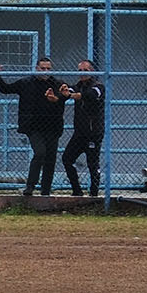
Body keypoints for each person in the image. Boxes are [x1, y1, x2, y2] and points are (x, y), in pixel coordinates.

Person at [0, 57, 67, 197]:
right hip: (33, 126)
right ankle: (30, 186)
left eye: (48, 69)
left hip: (53, 126)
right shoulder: (26, 83)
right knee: (40, 152)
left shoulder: (57, 84)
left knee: (50, 158)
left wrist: (60, 96)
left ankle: (45, 190)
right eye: (43, 68)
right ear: (36, 68)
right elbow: (6, 89)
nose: (46, 71)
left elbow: (66, 95)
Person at [59, 59, 106, 197]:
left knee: (92, 164)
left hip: (93, 133)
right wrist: (63, 93)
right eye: (80, 71)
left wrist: (72, 95)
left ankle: (94, 193)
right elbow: (69, 92)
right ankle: (77, 190)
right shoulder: (77, 86)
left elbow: (89, 95)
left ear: (92, 71)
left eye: (85, 70)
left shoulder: (98, 86)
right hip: (79, 133)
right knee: (67, 159)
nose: (82, 73)